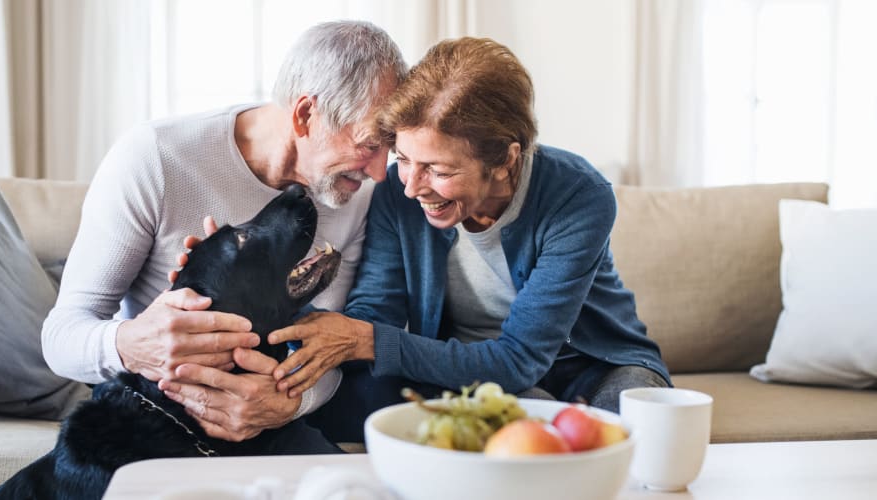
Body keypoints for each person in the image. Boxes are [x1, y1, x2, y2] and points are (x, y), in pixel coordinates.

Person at [265, 37, 671, 439]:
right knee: (517, 431)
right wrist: (270, 311)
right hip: (468, 373)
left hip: (598, 365)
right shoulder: (396, 192)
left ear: (505, 160)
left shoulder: (578, 195)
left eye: (438, 171)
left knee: (634, 429)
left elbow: (519, 359)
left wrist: (367, 340)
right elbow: (374, 314)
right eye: (404, 159)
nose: (412, 187)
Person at [41, 20, 408, 450]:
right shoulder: (156, 157)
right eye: (368, 145)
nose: (381, 172)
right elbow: (61, 338)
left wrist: (290, 402)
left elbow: (326, 347)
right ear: (305, 114)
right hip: (153, 411)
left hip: (270, 417)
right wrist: (133, 343)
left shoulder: (354, 193)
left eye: (390, 146)